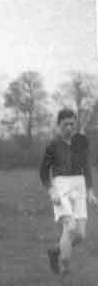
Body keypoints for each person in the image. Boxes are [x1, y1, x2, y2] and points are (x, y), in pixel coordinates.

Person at [40, 108, 97, 277]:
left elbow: (86, 167)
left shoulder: (81, 142)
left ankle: (55, 251)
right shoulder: (52, 145)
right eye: (65, 125)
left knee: (80, 235)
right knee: (70, 227)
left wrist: (90, 191)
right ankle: (65, 268)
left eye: (72, 124)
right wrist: (52, 192)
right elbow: (43, 172)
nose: (69, 128)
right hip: (61, 186)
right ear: (58, 125)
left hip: (79, 184)